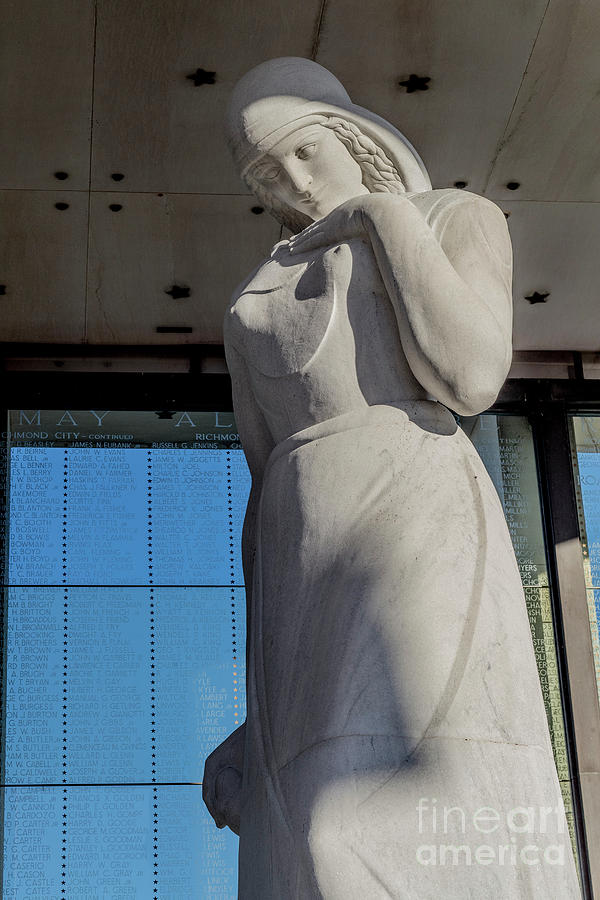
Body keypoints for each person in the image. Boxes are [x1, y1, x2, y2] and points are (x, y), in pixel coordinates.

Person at [203, 57, 580, 898]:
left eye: (303, 151)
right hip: (302, 547)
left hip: (417, 512)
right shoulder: (253, 300)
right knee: (302, 826)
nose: (292, 182)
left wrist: (382, 219)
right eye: (266, 175)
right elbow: (266, 484)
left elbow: (472, 377)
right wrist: (256, 712)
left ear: (351, 132)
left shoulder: (452, 217)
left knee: (378, 809)